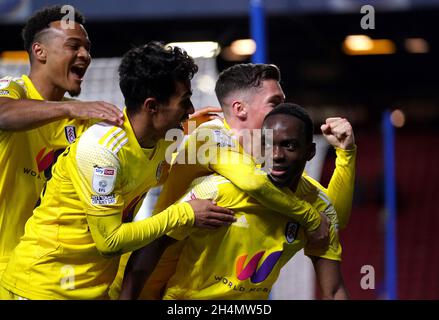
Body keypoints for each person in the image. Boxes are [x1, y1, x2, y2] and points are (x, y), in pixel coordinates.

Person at [0, 42, 236, 300]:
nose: (190, 110)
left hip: (91, 290)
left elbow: (168, 166)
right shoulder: (103, 150)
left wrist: (204, 128)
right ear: (152, 106)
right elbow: (110, 241)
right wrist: (185, 214)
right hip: (42, 288)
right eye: (185, 102)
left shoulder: (164, 138)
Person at [119, 63, 356, 299]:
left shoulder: (264, 162)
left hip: (191, 276)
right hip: (150, 279)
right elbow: (255, 184)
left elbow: (333, 216)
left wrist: (346, 154)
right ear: (240, 109)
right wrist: (312, 218)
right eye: (274, 103)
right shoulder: (209, 136)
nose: (281, 111)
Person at [0, 5, 124, 280]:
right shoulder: (13, 89)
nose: (85, 55)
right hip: (5, 262)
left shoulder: (83, 119)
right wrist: (70, 109)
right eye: (74, 46)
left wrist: (173, 122)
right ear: (40, 51)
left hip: (51, 271)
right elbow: (3, 115)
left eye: (87, 48)